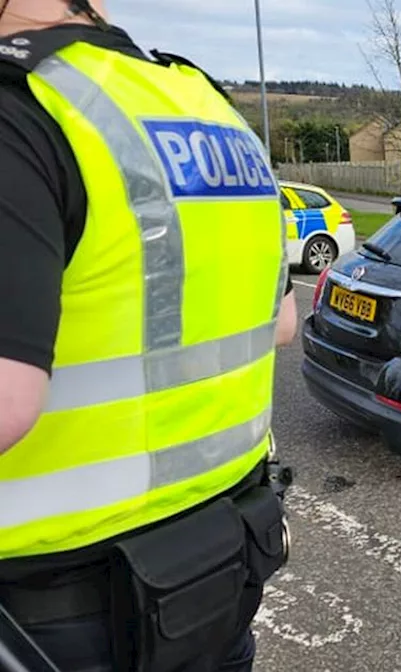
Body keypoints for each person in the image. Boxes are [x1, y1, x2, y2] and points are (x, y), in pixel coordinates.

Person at [0, 1, 297, 670]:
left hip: (49, 616)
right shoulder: (207, 105)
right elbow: (281, 323)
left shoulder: (18, 107)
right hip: (219, 573)